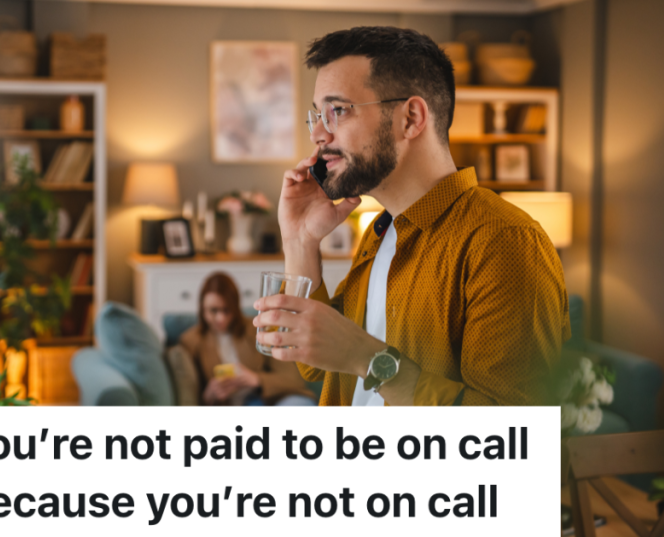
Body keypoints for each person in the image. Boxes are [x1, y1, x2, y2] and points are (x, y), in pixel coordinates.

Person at [252, 26, 569, 407]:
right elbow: (317, 366)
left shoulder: (504, 242)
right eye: (317, 116)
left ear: (411, 118)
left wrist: (367, 359)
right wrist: (301, 239)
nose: (318, 133)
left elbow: (514, 440)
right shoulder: (380, 232)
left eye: (338, 111)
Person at [180, 272, 316, 406]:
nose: (220, 318)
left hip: (272, 400)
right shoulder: (191, 341)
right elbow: (189, 395)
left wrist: (257, 379)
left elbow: (294, 380)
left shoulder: (258, 327)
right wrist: (208, 395)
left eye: (226, 310)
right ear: (202, 309)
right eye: (213, 310)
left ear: (235, 307)